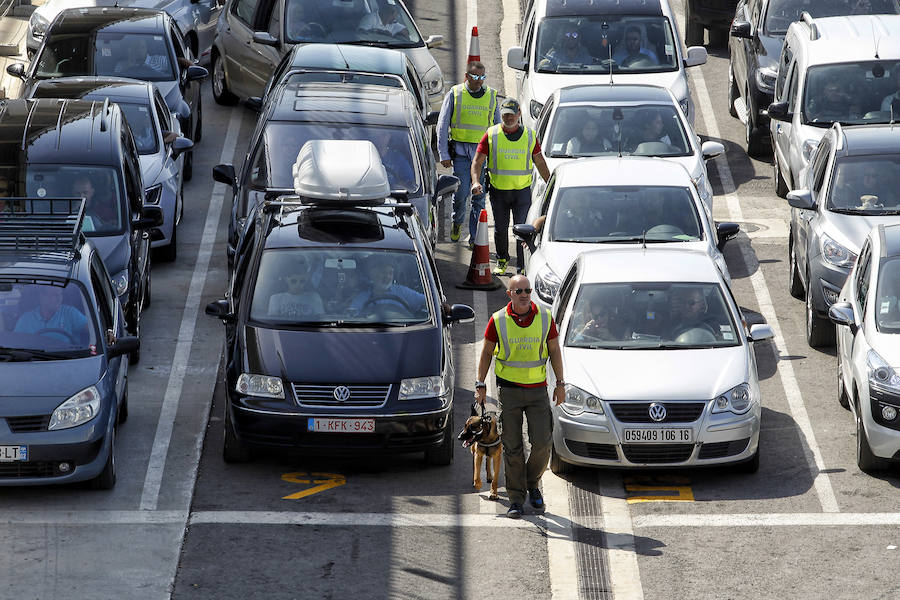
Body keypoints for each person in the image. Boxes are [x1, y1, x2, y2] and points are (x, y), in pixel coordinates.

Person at [475, 275, 565, 519]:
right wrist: (480, 384)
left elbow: (555, 350)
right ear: (510, 294)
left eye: (527, 290)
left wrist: (560, 383)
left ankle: (531, 483)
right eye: (519, 291)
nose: (524, 294)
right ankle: (517, 498)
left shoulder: (545, 318)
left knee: (543, 443)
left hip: (537, 391)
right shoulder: (498, 320)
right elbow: (486, 352)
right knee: (512, 447)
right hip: (509, 391)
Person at [471, 98, 551, 275]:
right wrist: (476, 181)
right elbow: (477, 161)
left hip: (522, 192)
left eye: (512, 115)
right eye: (505, 115)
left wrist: (551, 184)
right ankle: (502, 260)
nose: (508, 118)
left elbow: (540, 162)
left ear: (519, 114)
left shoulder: (530, 136)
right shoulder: (491, 134)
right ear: (501, 115)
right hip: (499, 192)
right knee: (500, 228)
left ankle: (522, 266)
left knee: (522, 229)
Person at [437, 61, 500, 247]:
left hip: (482, 156)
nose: (479, 81)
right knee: (462, 193)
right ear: (467, 76)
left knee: (479, 198)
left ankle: (474, 238)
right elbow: (442, 125)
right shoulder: (455, 94)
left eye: (482, 77)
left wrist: (496, 158)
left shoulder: (491, 96)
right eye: (475, 77)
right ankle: (457, 223)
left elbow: (497, 129)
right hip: (461, 155)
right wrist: (443, 153)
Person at [348, 258, 425, 315]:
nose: (387, 276)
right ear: (373, 275)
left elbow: (426, 302)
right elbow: (353, 315)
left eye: (390, 273)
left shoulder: (402, 291)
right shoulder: (363, 297)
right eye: (383, 272)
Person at [14, 285, 88, 344]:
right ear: (42, 297)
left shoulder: (70, 313)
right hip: (33, 360)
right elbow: (16, 344)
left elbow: (92, 330)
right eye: (54, 295)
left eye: (60, 295)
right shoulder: (25, 320)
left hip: (69, 359)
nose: (59, 299)